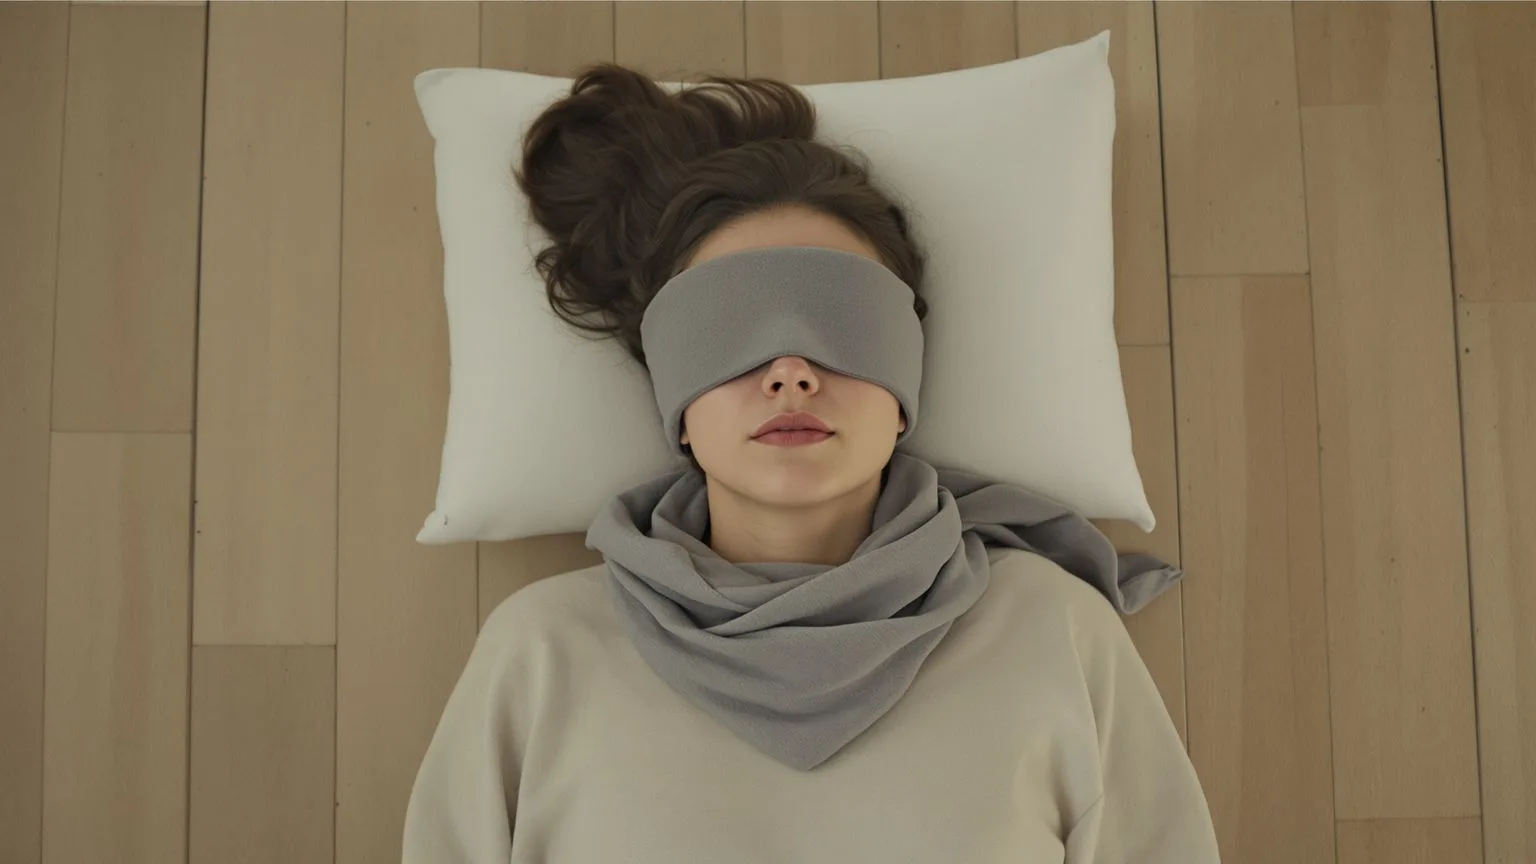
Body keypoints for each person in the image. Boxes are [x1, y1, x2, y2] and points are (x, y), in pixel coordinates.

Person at [403, 63, 1220, 863]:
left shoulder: (1052, 628)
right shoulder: (542, 652)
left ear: (904, 387)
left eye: (842, 317)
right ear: (674, 399)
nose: (791, 371)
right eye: (729, 324)